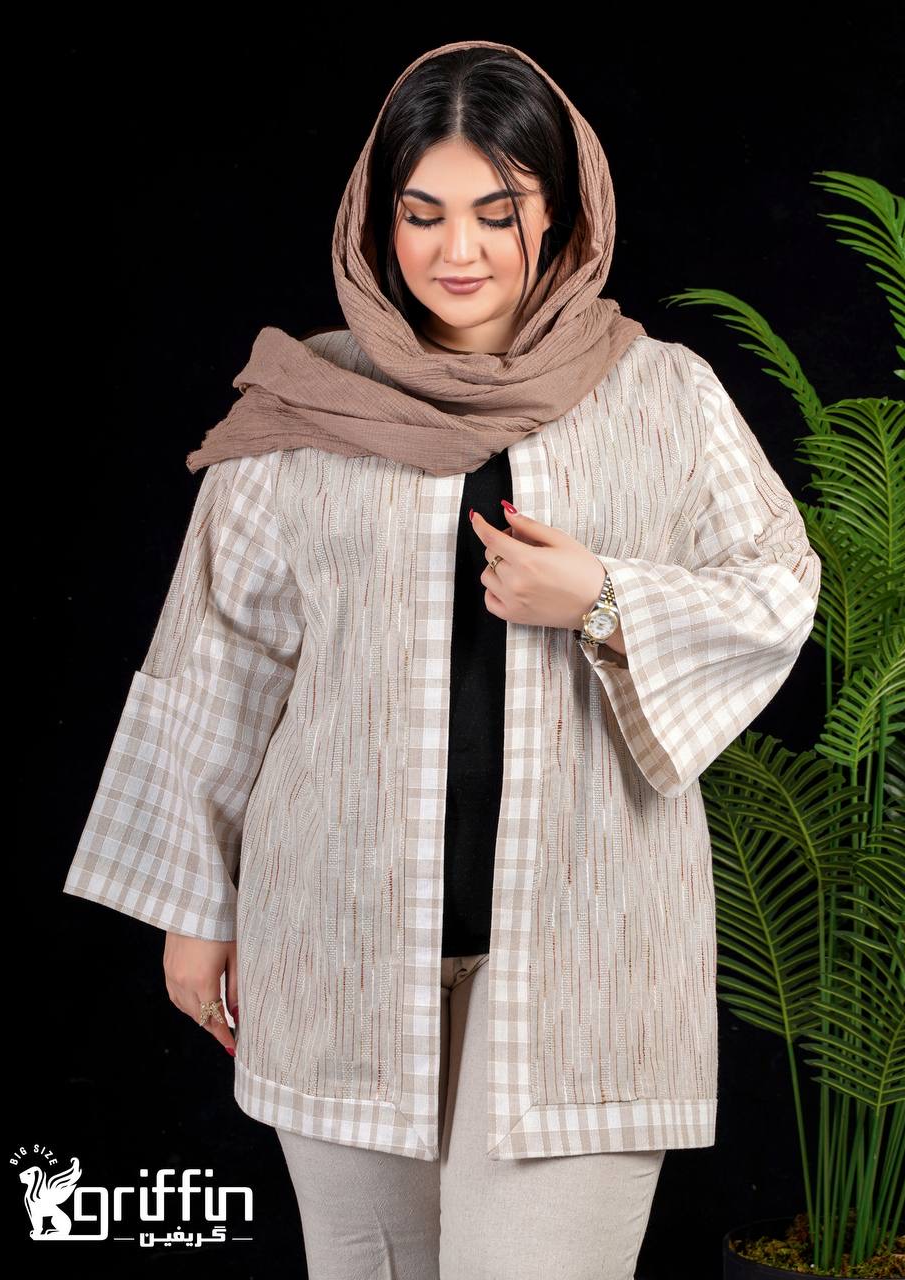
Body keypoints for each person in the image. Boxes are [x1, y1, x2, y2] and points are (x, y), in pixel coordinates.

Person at [62, 38, 822, 1280]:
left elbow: (778, 585)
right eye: (422, 214)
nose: (455, 251)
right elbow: (219, 657)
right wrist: (193, 914)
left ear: (559, 216)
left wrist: (601, 595)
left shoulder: (663, 397)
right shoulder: (303, 406)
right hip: (336, 930)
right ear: (378, 219)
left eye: (495, 212)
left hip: (584, 945)